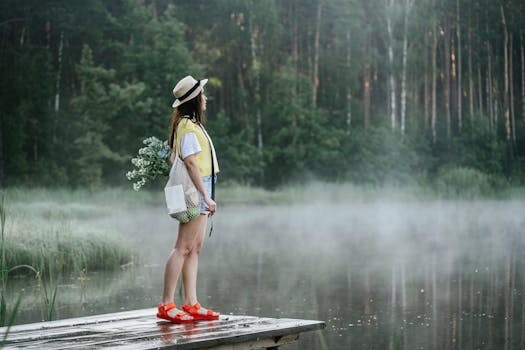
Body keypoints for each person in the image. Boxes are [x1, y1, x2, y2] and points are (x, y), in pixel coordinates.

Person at [157, 76, 220, 323]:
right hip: (196, 189)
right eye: (202, 95)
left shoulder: (190, 124)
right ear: (194, 99)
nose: (205, 98)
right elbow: (191, 163)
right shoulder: (188, 127)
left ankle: (191, 303)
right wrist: (206, 196)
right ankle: (166, 303)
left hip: (204, 186)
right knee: (182, 247)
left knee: (195, 248)